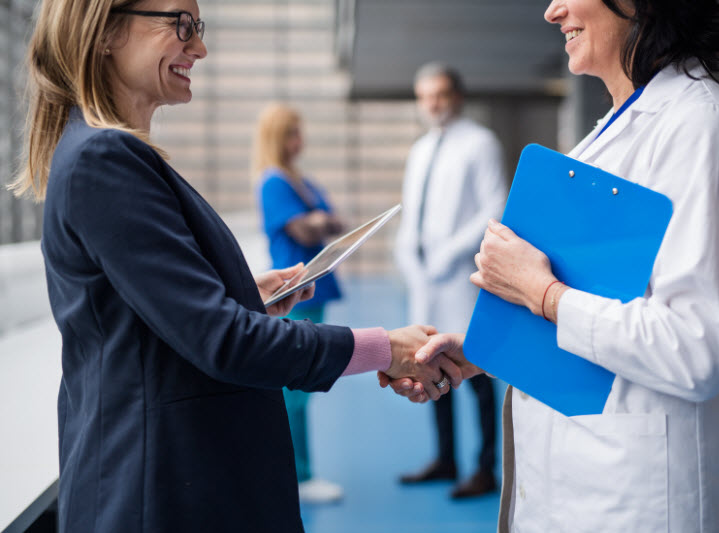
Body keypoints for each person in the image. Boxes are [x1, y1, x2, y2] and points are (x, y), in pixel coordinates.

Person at [10, 1, 466, 531]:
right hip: (156, 491)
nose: (199, 47)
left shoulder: (103, 153)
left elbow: (150, 317)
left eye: (198, 28)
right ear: (106, 29)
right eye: (182, 25)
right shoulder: (105, 160)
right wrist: (385, 348)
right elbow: (223, 341)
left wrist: (243, 292)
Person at [385, 0, 719, 531]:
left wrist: (541, 294)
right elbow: (604, 302)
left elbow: (696, 348)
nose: (551, 10)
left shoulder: (701, 126)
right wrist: (485, 354)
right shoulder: (611, 131)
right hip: (576, 481)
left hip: (638, 493)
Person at [391, 62, 508, 498]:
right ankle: (445, 459)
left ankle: (484, 468)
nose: (433, 104)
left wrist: (449, 251)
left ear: (456, 96)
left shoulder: (480, 143)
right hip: (426, 280)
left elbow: (492, 206)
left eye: (439, 94)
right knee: (426, 366)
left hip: (461, 277)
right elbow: (410, 211)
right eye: (425, 96)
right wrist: (408, 254)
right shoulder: (421, 149)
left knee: (475, 372)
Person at [253, 103, 345, 503]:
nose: (299, 141)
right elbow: (306, 230)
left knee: (302, 390)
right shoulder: (274, 183)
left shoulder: (299, 182)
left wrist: (318, 220)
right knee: (295, 390)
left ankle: (297, 473)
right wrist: (319, 220)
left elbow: (331, 222)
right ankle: (298, 476)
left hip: (312, 290)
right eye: (292, 133)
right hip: (290, 293)